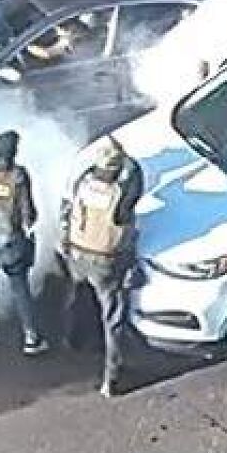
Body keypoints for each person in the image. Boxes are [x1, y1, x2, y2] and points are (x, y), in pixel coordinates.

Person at [58, 137, 144, 398]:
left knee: (77, 295)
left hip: (76, 250)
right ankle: (112, 379)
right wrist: (124, 156)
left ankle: (72, 338)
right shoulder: (119, 195)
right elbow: (136, 182)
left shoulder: (82, 183)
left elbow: (66, 212)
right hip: (105, 260)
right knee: (113, 318)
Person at [0, 130, 50, 355]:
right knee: (20, 288)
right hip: (10, 238)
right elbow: (28, 213)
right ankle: (31, 337)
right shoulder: (18, 175)